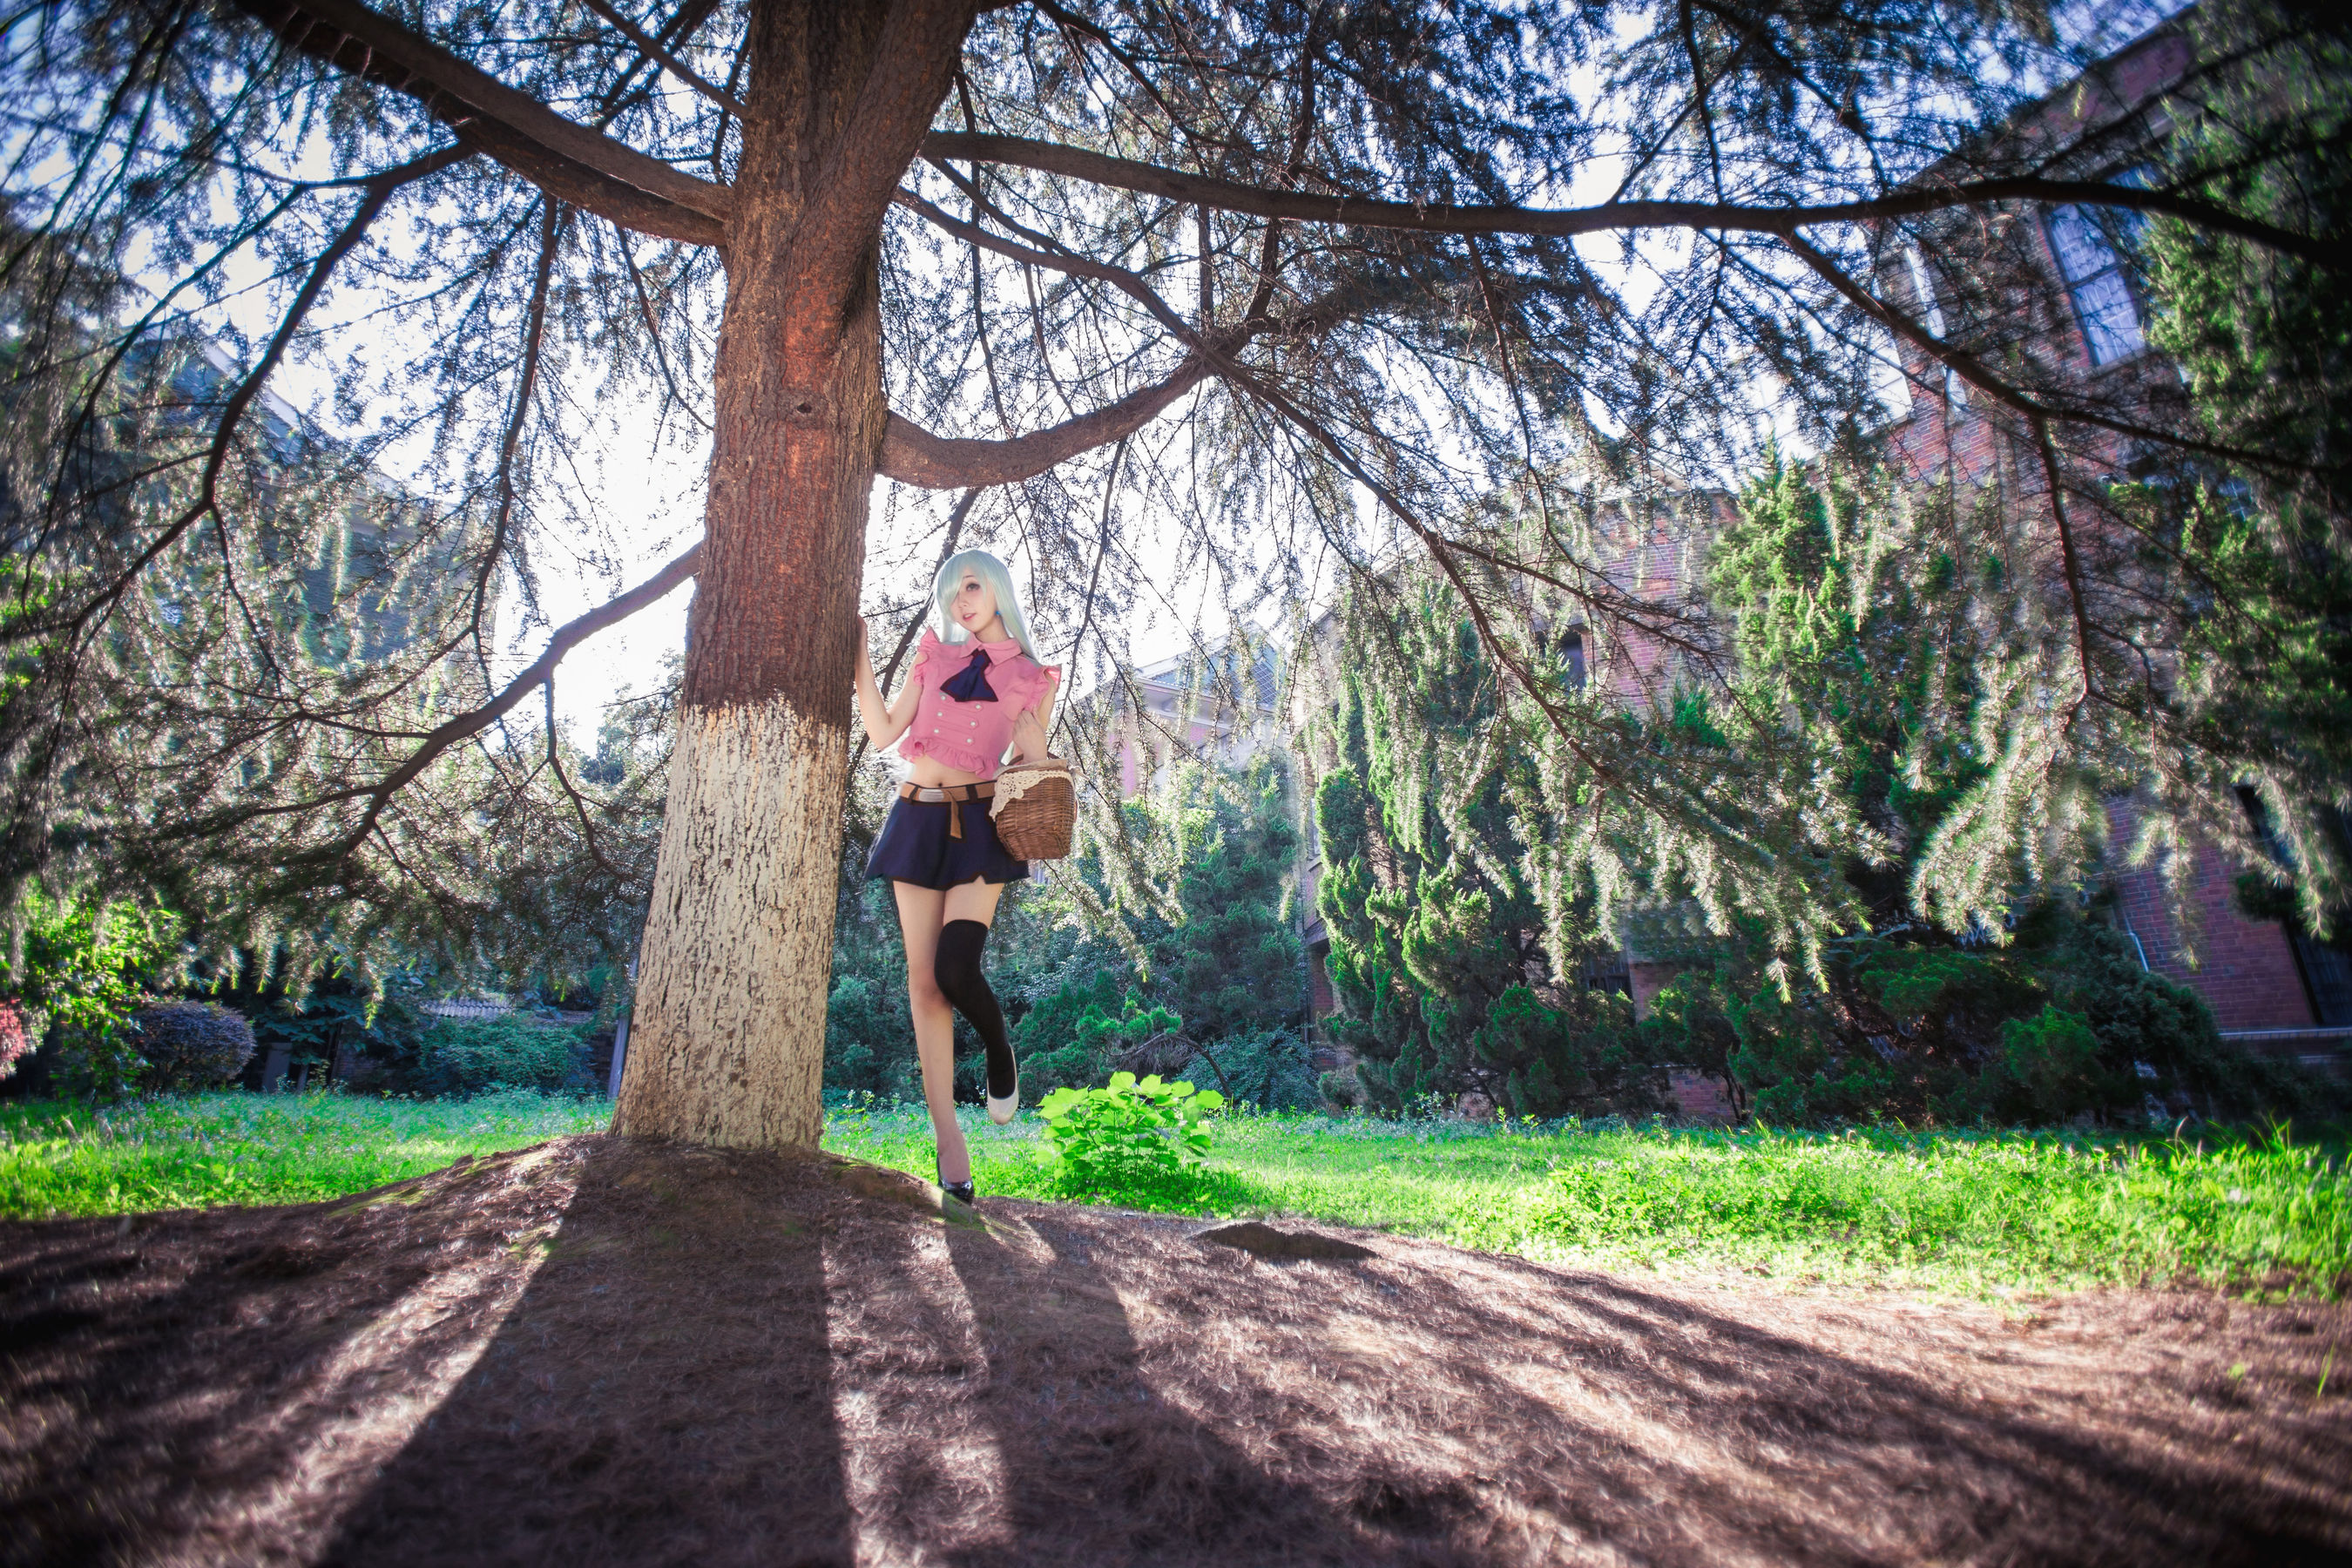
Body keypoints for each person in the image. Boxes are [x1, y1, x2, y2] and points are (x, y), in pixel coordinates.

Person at [851, 550, 1060, 1206]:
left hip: (980, 823)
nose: (961, 602)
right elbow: (883, 731)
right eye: (951, 593)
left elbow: (1030, 766)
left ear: (997, 589)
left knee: (956, 967)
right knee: (924, 986)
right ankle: (949, 1144)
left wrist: (1034, 748)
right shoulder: (934, 658)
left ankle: (999, 1048)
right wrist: (859, 654)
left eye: (971, 586)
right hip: (915, 819)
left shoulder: (1032, 677)